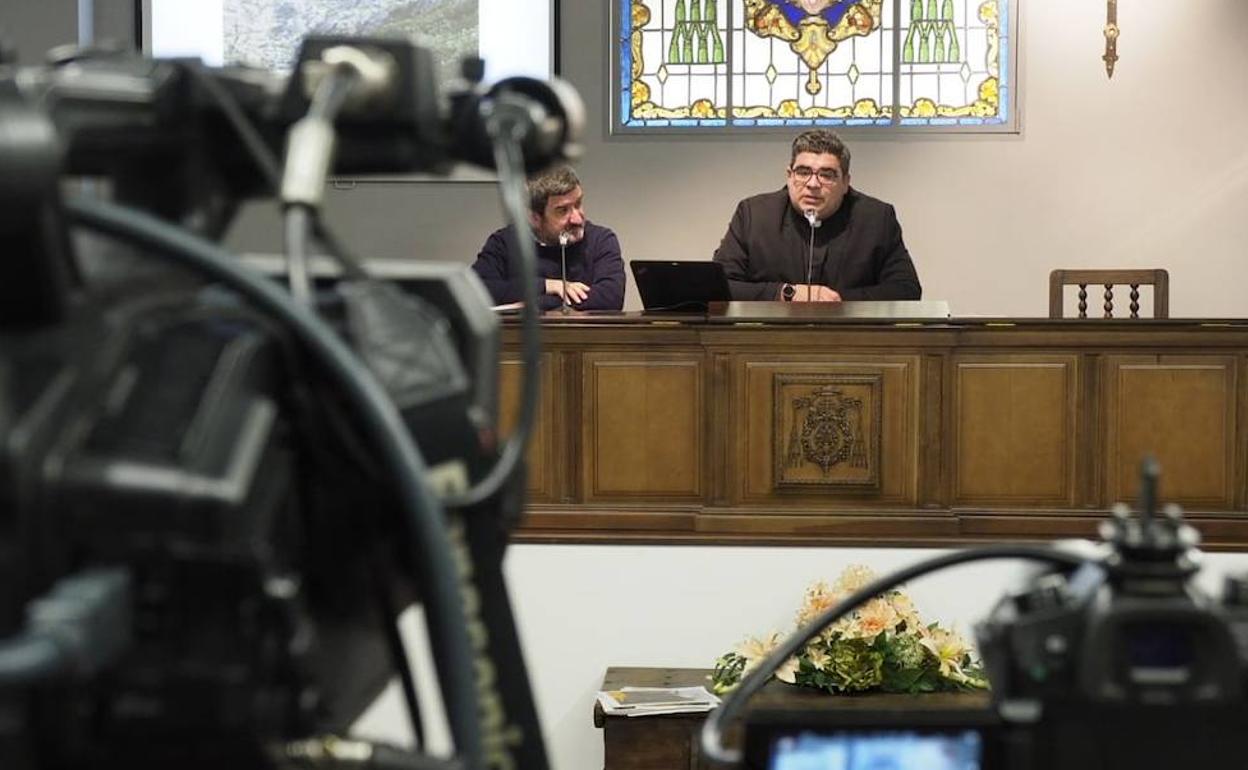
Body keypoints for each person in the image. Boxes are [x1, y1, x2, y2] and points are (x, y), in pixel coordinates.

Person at [712, 129, 921, 302]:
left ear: (846, 182)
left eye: (826, 175)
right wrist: (787, 293)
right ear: (789, 175)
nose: (812, 184)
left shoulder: (876, 218)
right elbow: (719, 286)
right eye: (803, 172)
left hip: (850, 341)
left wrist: (836, 300)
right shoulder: (753, 215)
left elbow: (906, 290)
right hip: (769, 340)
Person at [471, 165, 625, 311]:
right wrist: (546, 286)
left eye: (578, 204)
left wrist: (537, 303)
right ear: (534, 218)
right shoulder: (504, 242)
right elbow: (478, 291)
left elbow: (610, 297)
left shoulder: (601, 240)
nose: (577, 219)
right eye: (562, 211)